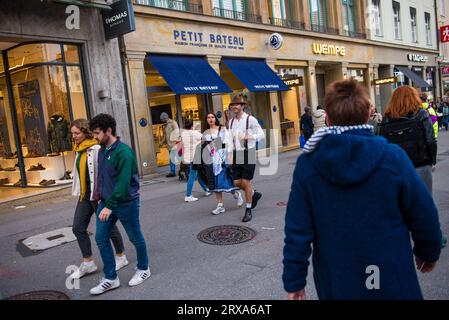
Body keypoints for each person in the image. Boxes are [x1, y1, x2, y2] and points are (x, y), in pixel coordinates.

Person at [283, 79, 442, 300]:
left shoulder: (309, 164)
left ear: (328, 118)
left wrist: (294, 281)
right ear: (368, 113)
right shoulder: (392, 157)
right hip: (391, 276)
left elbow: (297, 229)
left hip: (338, 279)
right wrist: (429, 252)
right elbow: (423, 212)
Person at [89, 114, 151, 295]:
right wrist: (100, 197)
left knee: (135, 236)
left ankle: (144, 268)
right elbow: (102, 176)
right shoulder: (102, 150)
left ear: (109, 131)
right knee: (101, 238)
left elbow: (123, 183)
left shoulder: (124, 152)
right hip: (106, 202)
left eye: (97, 133)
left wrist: (110, 205)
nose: (95, 136)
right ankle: (110, 278)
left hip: (126, 202)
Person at [69, 119, 128, 280]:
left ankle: (121, 255)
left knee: (108, 226)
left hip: (97, 195)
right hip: (85, 195)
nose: (73, 136)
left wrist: (107, 195)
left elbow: (105, 172)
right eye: (72, 133)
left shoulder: (96, 149)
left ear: (85, 132)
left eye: (77, 133)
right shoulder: (79, 149)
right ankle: (88, 262)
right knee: (78, 227)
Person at [380, 86, 437, 192]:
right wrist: (432, 160)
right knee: (424, 201)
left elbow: (383, 144)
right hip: (421, 163)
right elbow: (430, 140)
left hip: (397, 166)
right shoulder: (421, 114)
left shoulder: (387, 118)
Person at [228, 93, 265, 223]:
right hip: (237, 153)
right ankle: (253, 194)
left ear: (242, 106)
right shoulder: (230, 122)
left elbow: (261, 133)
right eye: (233, 105)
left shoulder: (250, 119)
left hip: (248, 152)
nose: (234, 107)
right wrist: (229, 154)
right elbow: (229, 139)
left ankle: (248, 210)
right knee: (237, 183)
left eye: (237, 104)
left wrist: (251, 137)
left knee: (246, 182)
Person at [202, 112, 244, 215]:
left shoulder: (222, 129)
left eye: (212, 117)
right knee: (216, 184)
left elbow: (226, 143)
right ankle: (220, 206)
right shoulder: (205, 133)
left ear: (215, 118)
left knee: (225, 181)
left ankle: (236, 194)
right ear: (206, 120)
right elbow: (204, 147)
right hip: (212, 160)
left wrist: (229, 157)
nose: (210, 119)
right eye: (208, 117)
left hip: (222, 157)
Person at [181, 118, 210, 202]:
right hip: (195, 157)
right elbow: (204, 139)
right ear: (192, 125)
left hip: (188, 157)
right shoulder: (195, 133)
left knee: (197, 174)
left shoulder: (183, 134)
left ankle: (206, 189)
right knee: (192, 175)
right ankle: (188, 195)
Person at [159, 112, 180, 178]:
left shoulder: (173, 123)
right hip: (169, 145)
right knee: (172, 158)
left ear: (165, 118)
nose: (162, 121)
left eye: (162, 120)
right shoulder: (165, 125)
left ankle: (187, 170)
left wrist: (177, 142)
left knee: (179, 158)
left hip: (175, 144)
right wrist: (161, 143)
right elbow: (165, 136)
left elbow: (177, 132)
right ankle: (172, 172)